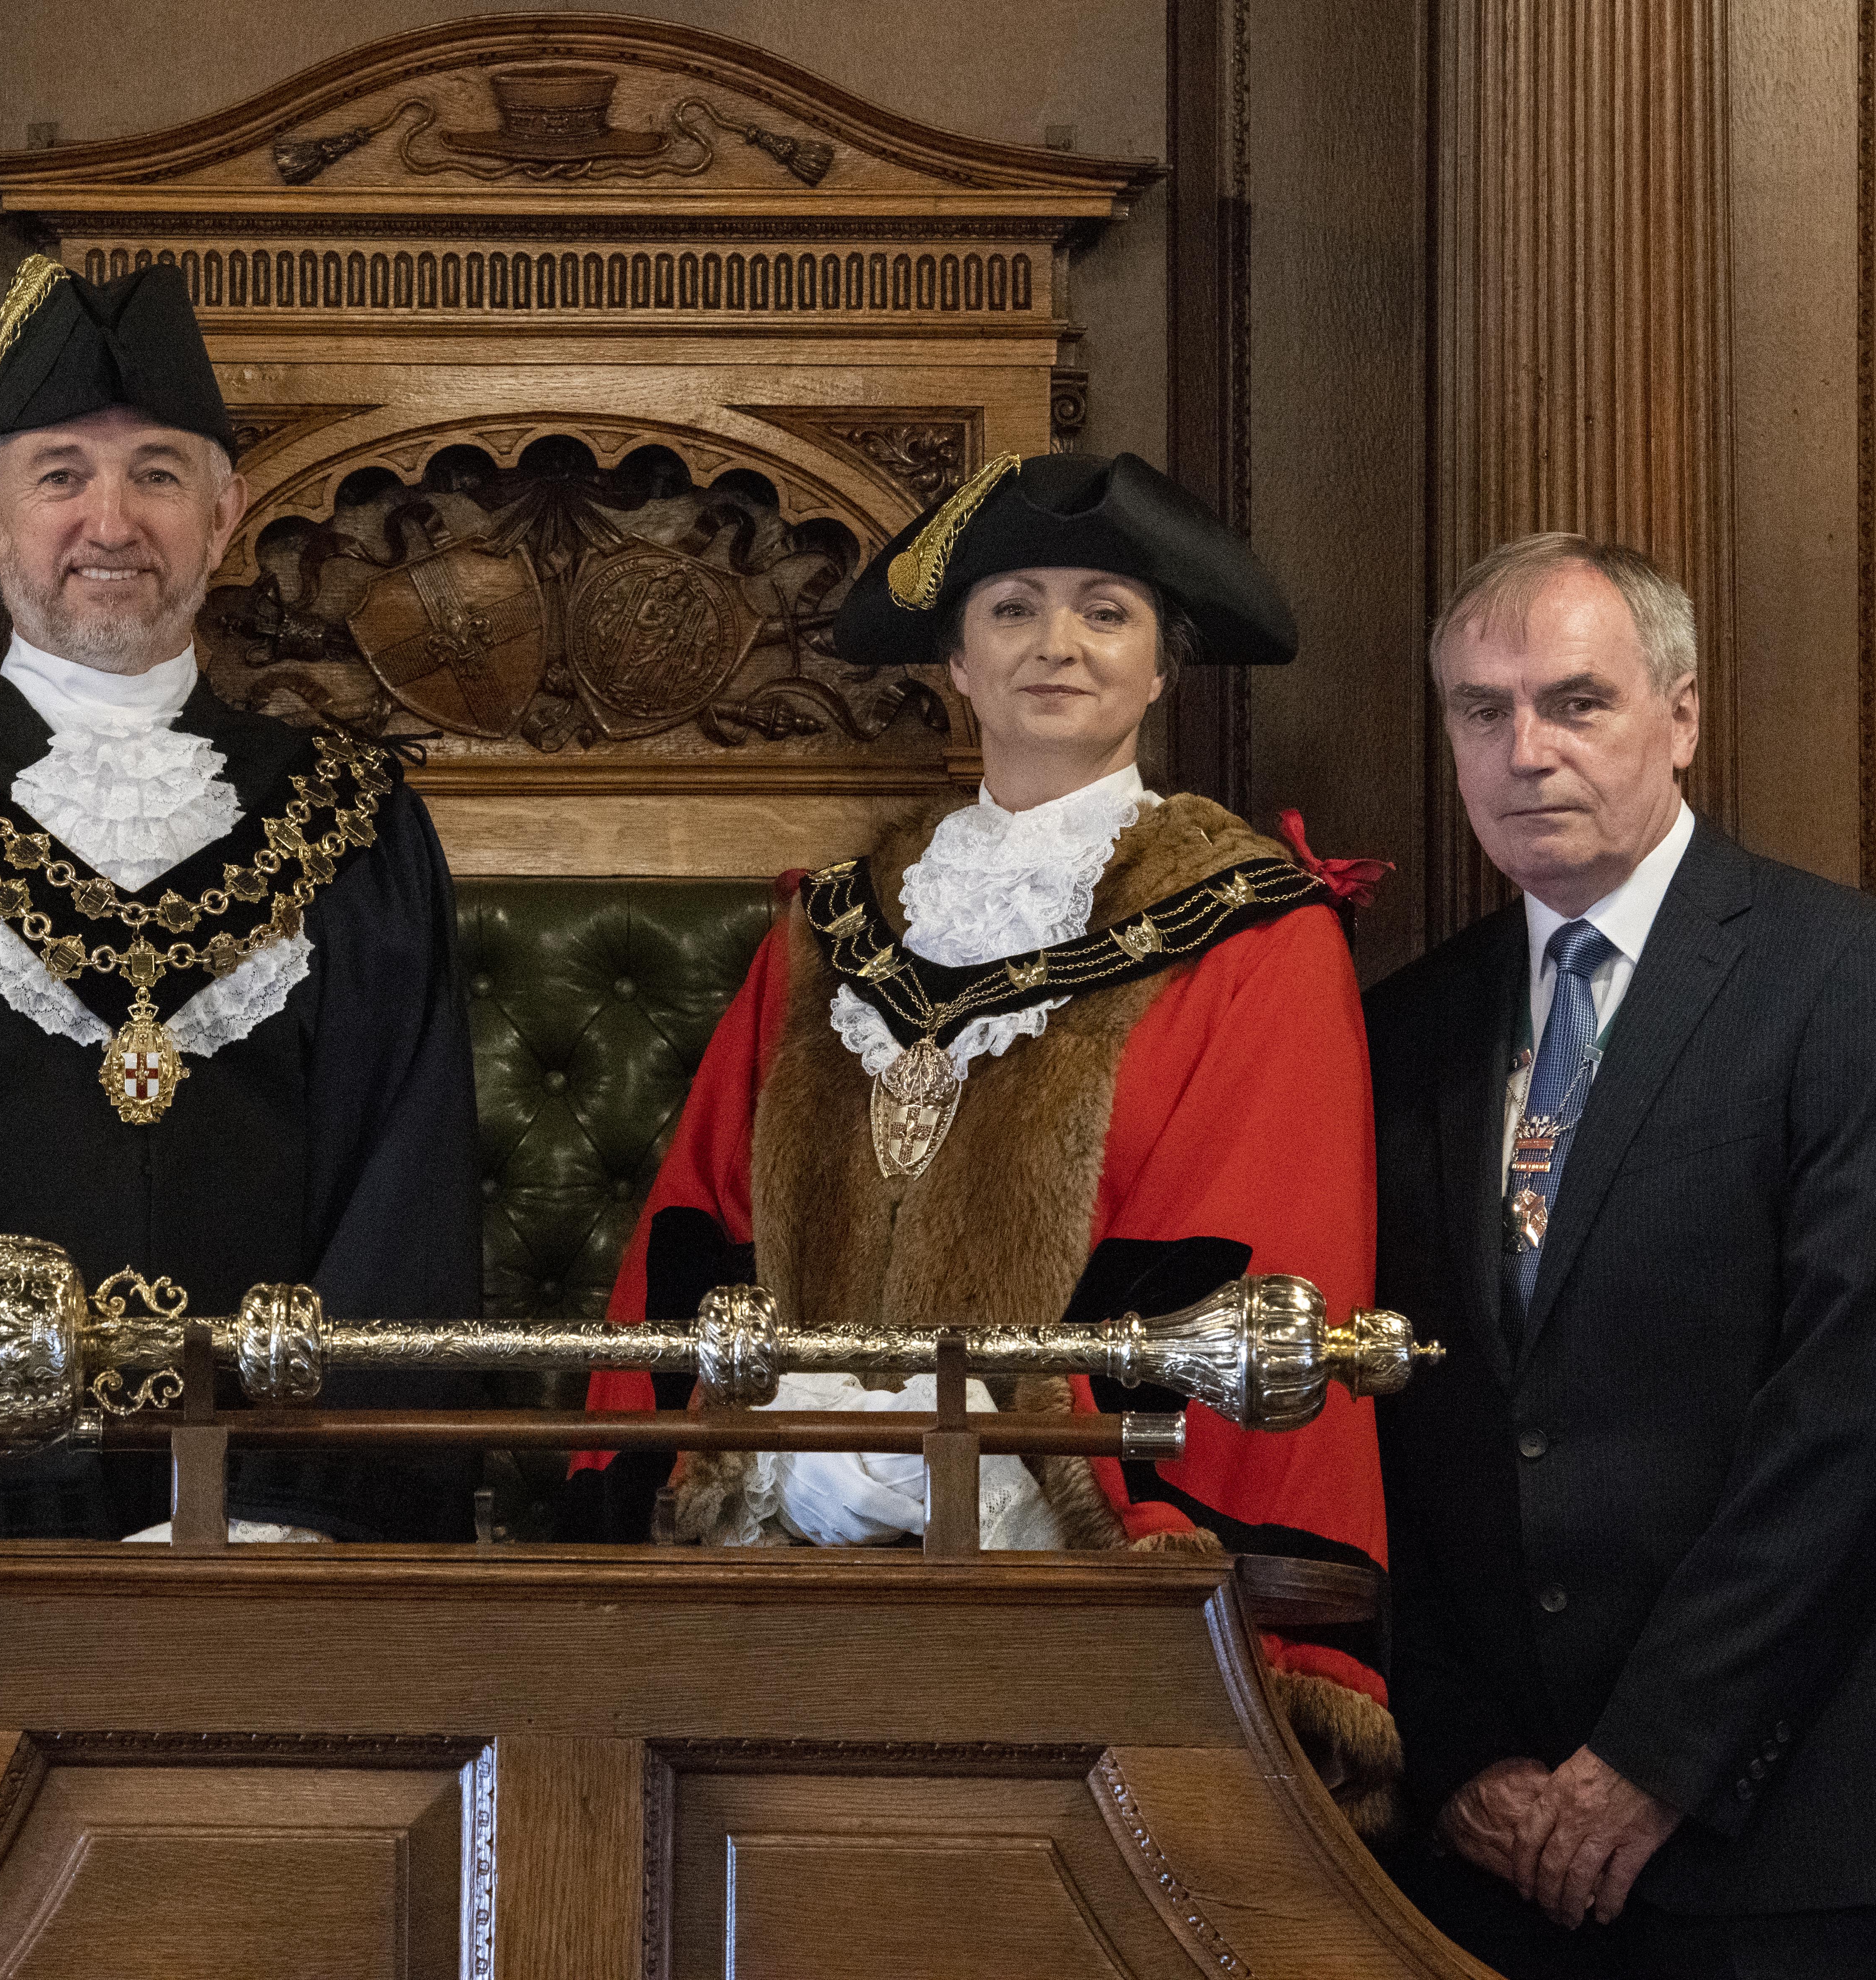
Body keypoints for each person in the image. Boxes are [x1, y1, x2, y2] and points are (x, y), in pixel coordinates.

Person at [572, 450, 1403, 1835]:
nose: (1056, 645)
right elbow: (698, 1224)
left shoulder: (1257, 933)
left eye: (1105, 612)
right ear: (954, 660)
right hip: (786, 1581)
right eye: (1012, 607)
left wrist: (989, 1447)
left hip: (1070, 1597)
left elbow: (1257, 1269)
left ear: (1162, 669)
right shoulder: (831, 926)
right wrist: (770, 1444)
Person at [0, 256, 482, 1778]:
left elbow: (405, 1189)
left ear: (223, 515)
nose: (111, 520)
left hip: (292, 1567)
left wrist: (281, 1504)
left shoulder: (358, 825)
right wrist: (13, 1529)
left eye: (158, 474)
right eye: (61, 474)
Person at [1368, 535, 1876, 1977]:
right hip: (1488, 1843)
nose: (1525, 750)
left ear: (1684, 715)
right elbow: (1385, 1427)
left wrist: (1647, 1761)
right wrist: (1465, 1753)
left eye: (1575, 702)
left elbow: (1852, 1407)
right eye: (1483, 710)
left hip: (1787, 1824)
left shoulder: (1851, 978)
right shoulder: (1404, 1026)